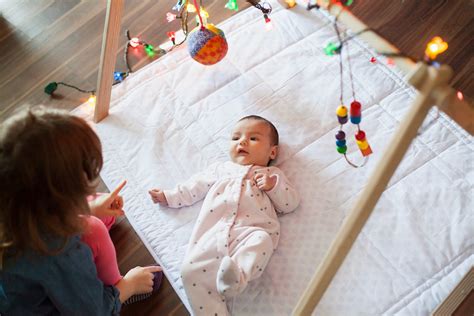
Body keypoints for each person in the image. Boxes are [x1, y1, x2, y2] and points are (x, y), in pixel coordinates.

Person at [0, 107, 162, 315]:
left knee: (97, 210)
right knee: (94, 227)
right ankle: (117, 288)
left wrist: (88, 208)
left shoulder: (14, 202)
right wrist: (128, 286)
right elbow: (93, 311)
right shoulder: (59, 253)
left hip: (18, 289)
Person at [149, 115, 300, 315]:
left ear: (273, 151)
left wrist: (273, 186)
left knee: (262, 241)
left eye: (253, 138)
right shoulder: (221, 169)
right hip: (213, 234)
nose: (242, 142)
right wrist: (169, 196)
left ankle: (238, 277)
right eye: (236, 138)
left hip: (251, 232)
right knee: (189, 271)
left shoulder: (272, 174)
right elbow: (195, 186)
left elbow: (290, 203)